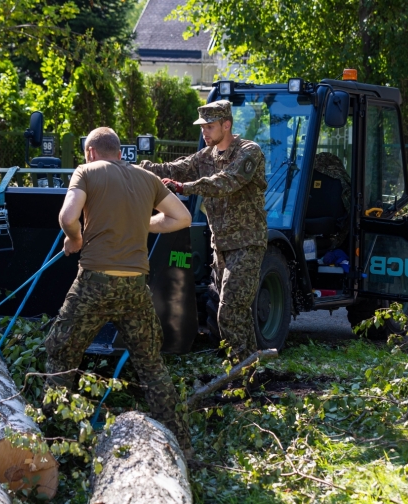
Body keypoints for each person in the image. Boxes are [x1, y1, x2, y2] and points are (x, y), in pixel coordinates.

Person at [43, 127, 194, 454]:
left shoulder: (86, 171)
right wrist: (145, 224)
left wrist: (75, 239)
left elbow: (67, 216)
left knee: (61, 350)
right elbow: (182, 217)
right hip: (134, 286)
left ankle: (53, 445)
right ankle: (182, 447)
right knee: (151, 365)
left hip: (94, 282)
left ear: (92, 153)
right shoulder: (146, 178)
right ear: (119, 152)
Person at [139, 100, 267, 360]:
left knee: (229, 311)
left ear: (226, 125)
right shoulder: (206, 155)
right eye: (202, 127)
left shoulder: (249, 152)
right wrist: (137, 169)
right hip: (220, 247)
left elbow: (226, 182)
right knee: (234, 314)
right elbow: (175, 168)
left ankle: (240, 374)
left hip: (246, 244)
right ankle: (249, 372)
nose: (204, 132)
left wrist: (184, 187)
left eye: (209, 126)